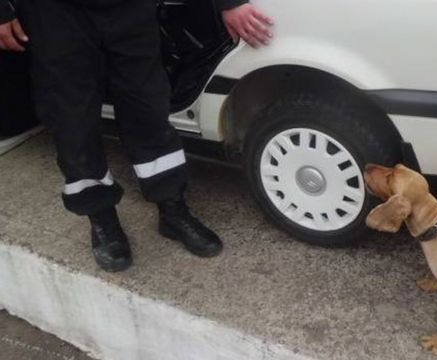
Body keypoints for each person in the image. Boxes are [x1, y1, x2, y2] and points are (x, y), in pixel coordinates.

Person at [0, 0, 273, 272]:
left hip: (129, 9)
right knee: (72, 120)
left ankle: (172, 208)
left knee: (148, 107)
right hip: (52, 14)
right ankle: (101, 217)